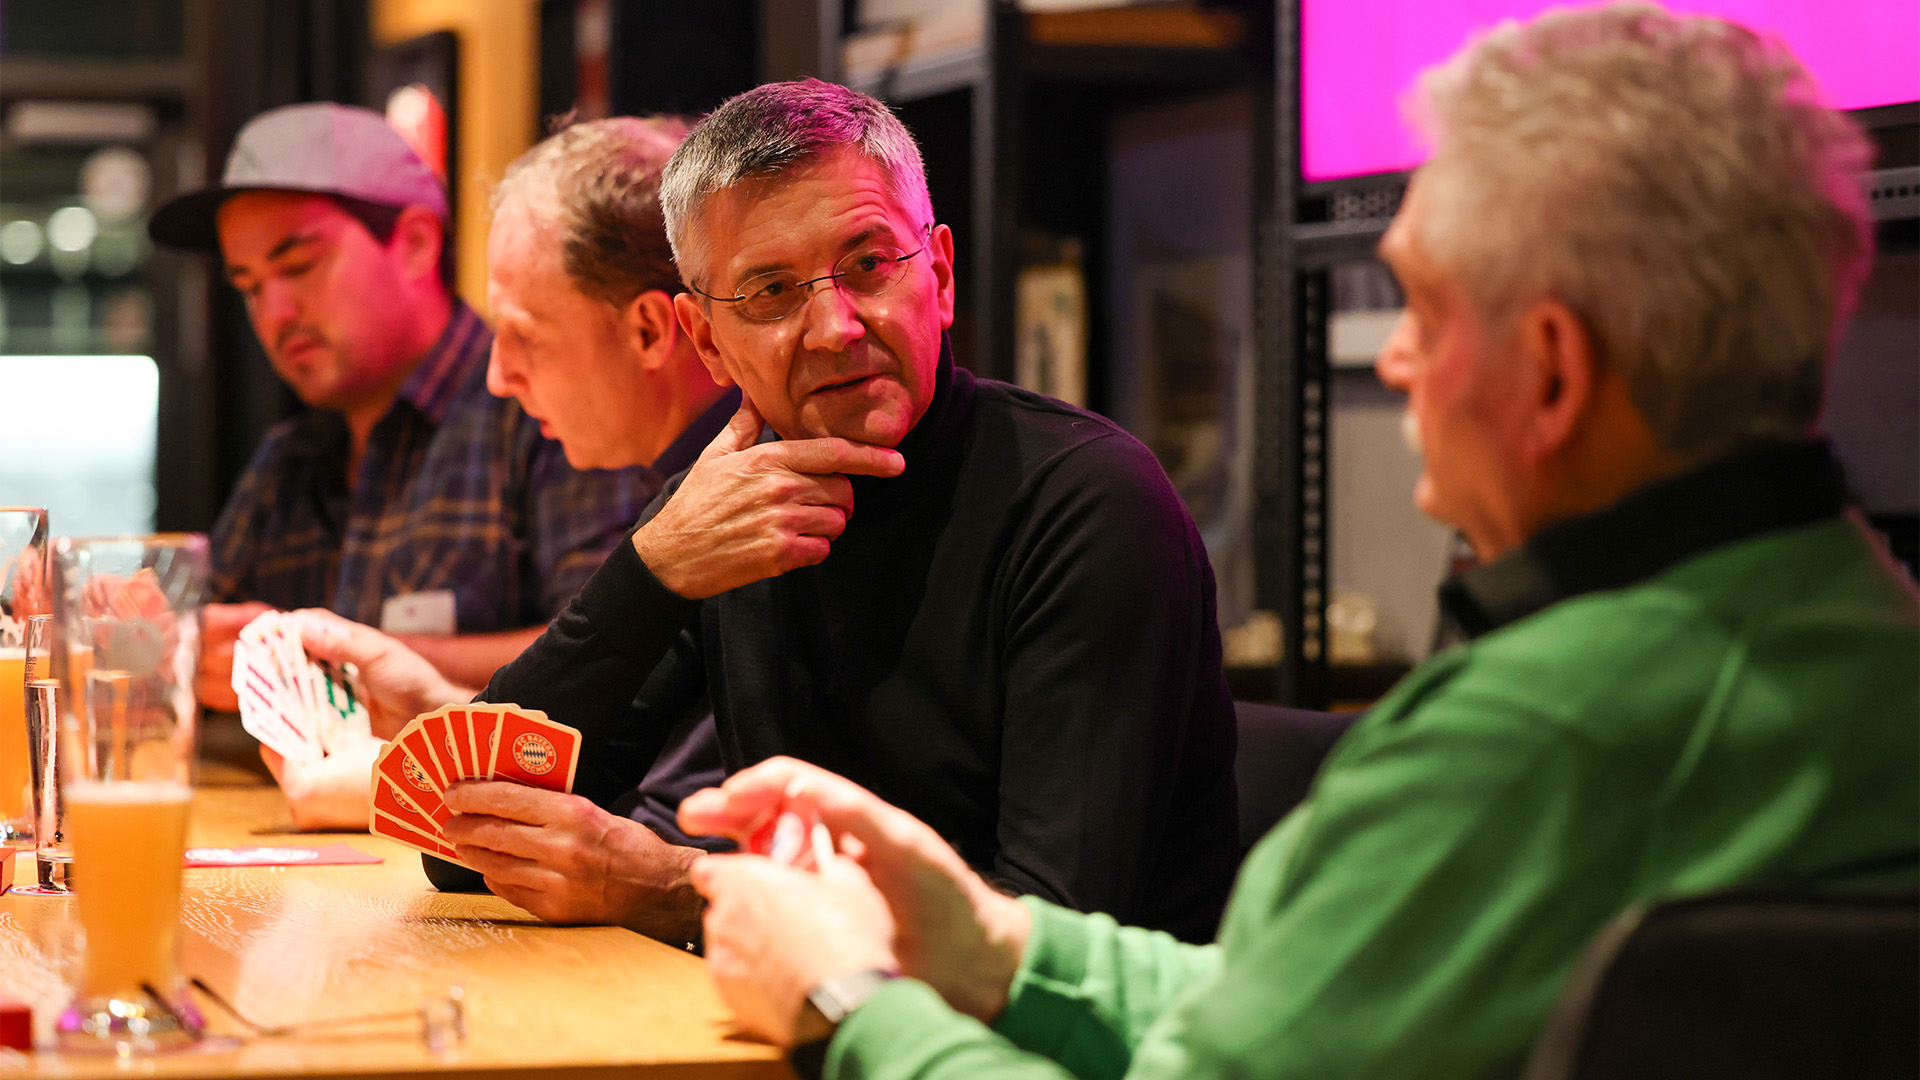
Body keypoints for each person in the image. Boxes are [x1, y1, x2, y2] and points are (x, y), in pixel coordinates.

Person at [677, 7, 1920, 1078]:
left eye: (1421, 308)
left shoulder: (1528, 741)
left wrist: (850, 1003)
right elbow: (1292, 1019)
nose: (1396, 359)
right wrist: (997, 947)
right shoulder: (1866, 633)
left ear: (1550, 372)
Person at [431, 79, 1242, 949]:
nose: (835, 327)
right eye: (770, 292)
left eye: (868, 264)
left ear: (940, 273)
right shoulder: (729, 513)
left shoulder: (1087, 503)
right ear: (705, 341)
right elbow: (462, 845)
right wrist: (650, 569)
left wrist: (679, 887)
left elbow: (1049, 933)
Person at [259, 117, 739, 850]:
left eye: (525, 336)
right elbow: (608, 757)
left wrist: (390, 778)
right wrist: (439, 708)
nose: (497, 376)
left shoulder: (746, 502)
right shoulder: (680, 481)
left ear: (649, 331)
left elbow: (663, 820)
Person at [148, 103, 658, 713]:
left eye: (298, 266)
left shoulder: (550, 412)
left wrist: (328, 656)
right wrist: (150, 624)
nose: (274, 313)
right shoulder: (289, 461)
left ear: (416, 244)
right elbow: (186, 633)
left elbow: (620, 651)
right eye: (251, 286)